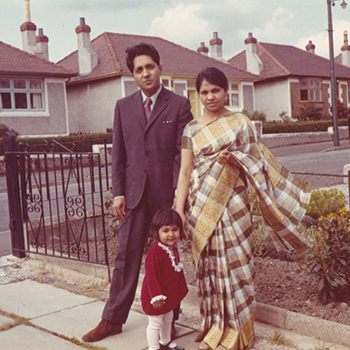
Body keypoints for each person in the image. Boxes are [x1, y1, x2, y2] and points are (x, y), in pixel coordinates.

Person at [175, 67, 312, 350]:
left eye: (216, 90)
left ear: (226, 91)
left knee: (237, 264)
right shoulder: (191, 129)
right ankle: (214, 326)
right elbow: (186, 172)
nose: (210, 96)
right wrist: (179, 209)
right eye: (204, 92)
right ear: (197, 95)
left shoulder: (240, 122)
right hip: (201, 205)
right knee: (210, 267)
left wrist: (237, 160)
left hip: (235, 204)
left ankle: (239, 332)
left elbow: (260, 162)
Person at [82, 43, 193, 343]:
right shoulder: (123, 106)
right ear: (132, 75)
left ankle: (170, 318)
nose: (146, 73)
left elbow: (181, 156)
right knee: (125, 257)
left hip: (165, 197)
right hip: (133, 196)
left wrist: (176, 198)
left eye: (150, 67)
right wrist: (118, 192)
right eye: (139, 69)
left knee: (168, 258)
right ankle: (112, 319)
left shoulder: (179, 104)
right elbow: (119, 154)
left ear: (159, 68)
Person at [141, 208, 188, 350]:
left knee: (168, 319)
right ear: (157, 232)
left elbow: (175, 271)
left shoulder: (173, 248)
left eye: (175, 229)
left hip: (168, 295)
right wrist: (156, 296)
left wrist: (178, 291)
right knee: (155, 323)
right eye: (166, 231)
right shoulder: (156, 252)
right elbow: (151, 276)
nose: (171, 234)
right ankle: (154, 347)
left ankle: (165, 342)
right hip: (155, 297)